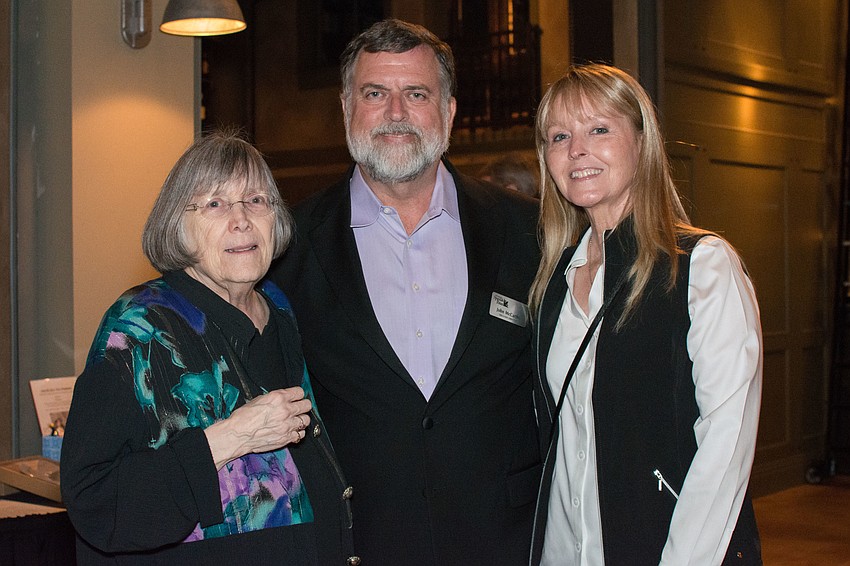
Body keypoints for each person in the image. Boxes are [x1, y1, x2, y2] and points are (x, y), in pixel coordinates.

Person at [270, 19, 541, 565]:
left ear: (450, 111)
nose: (396, 113)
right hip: (358, 544)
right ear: (347, 108)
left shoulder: (529, 232)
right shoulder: (286, 248)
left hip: (508, 541)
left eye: (416, 94)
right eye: (375, 94)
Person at [60, 131, 357, 565]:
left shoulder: (278, 308)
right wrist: (232, 436)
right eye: (215, 204)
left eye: (256, 200)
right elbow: (94, 499)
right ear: (178, 226)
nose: (241, 219)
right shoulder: (139, 329)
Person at [528, 63, 763, 565]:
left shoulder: (701, 266)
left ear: (642, 141)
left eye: (599, 129)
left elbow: (726, 447)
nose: (577, 150)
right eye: (559, 136)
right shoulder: (553, 282)